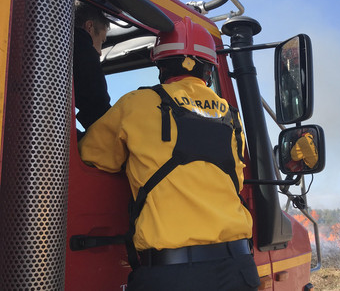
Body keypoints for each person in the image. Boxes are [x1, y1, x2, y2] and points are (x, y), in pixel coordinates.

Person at [78, 17, 260, 290]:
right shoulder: (230, 116)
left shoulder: (137, 104)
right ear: (208, 69)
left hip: (173, 276)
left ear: (161, 66)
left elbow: (93, 155)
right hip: (239, 269)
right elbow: (235, 178)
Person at [73, 0, 111, 131]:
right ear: (89, 26)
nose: (100, 52)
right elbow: (97, 105)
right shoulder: (80, 43)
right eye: (101, 41)